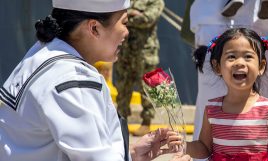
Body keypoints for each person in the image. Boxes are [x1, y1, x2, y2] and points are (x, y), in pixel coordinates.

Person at [0, 0, 190, 161]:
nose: (127, 32)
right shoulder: (73, 79)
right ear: (94, 28)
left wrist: (129, 154)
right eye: (124, 23)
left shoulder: (42, 54)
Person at [176, 27, 268, 160]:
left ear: (261, 66)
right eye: (231, 57)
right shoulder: (212, 109)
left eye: (248, 56)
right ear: (217, 67)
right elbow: (204, 147)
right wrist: (182, 146)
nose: (240, 63)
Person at [114, 0, 164, 136]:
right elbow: (114, 18)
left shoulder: (155, 1)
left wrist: (126, 16)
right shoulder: (126, 1)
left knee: (147, 88)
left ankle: (146, 122)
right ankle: (120, 121)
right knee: (123, 87)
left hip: (145, 52)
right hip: (125, 51)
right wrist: (133, 13)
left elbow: (147, 19)